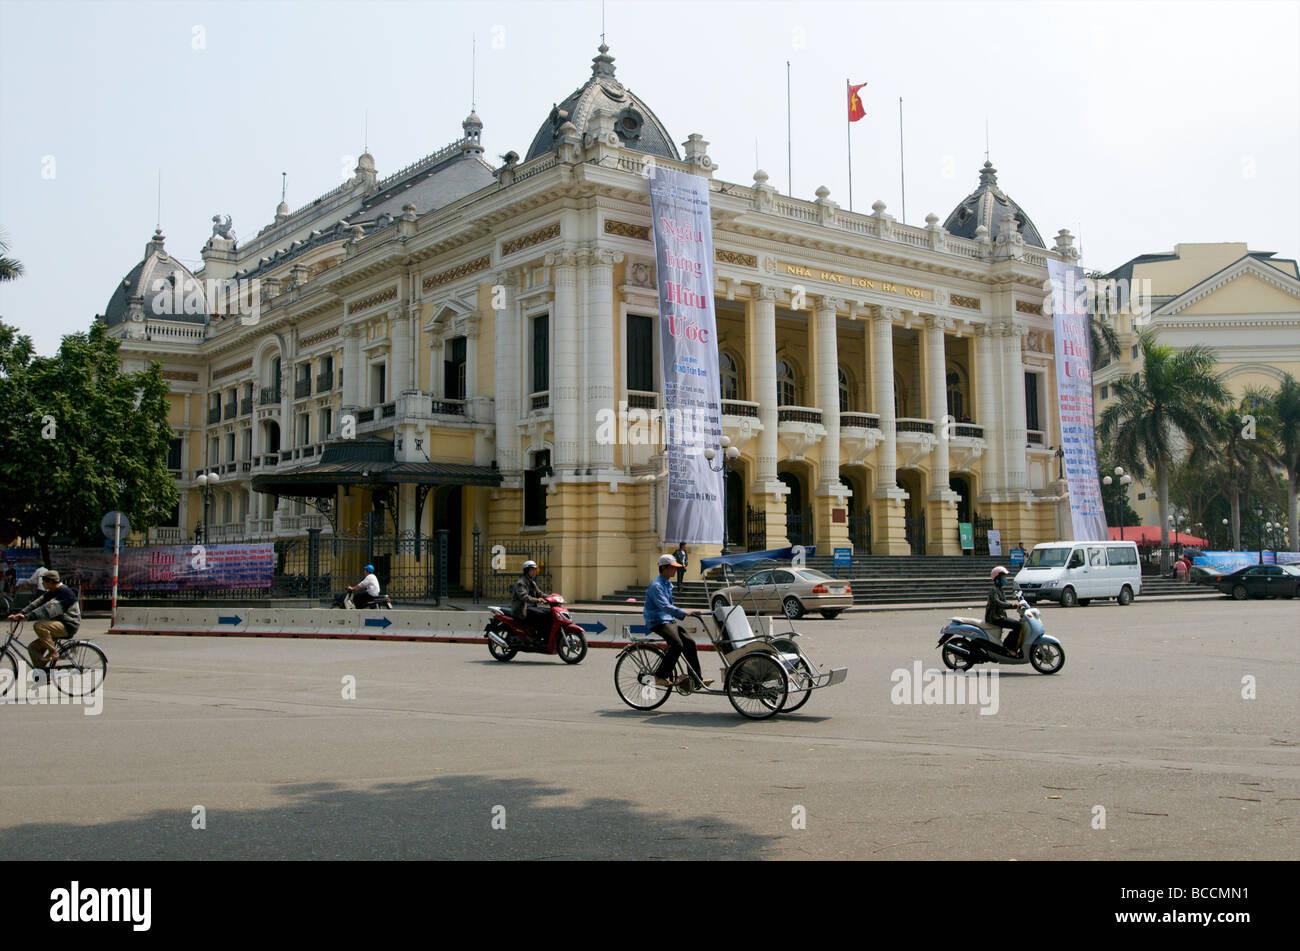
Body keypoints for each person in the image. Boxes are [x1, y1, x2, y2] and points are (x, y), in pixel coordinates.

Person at [644, 553, 711, 688]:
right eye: (672, 568)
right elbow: (664, 606)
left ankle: (695, 679)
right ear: (664, 568)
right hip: (657, 621)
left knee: (690, 643)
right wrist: (684, 612)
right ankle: (659, 676)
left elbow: (669, 607)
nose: (675, 570)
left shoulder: (667, 583)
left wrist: (686, 612)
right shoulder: (656, 586)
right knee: (677, 645)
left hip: (668, 620)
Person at [7, 569, 81, 668]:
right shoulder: (53, 591)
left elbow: (46, 609)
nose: (42, 583)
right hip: (58, 623)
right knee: (33, 648)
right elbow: (37, 603)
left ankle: (53, 652)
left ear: (50, 582)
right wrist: (20, 614)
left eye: (44, 581)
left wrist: (26, 617)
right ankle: (43, 673)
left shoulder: (64, 593)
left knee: (39, 626)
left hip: (69, 625)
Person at [985, 566, 1022, 657]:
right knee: (1017, 625)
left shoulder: (1000, 590)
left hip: (1000, 617)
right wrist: (1012, 605)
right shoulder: (993, 590)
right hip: (994, 618)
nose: (1005, 579)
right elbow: (998, 603)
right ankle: (1008, 648)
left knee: (1018, 624)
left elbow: (1004, 602)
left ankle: (1007, 646)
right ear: (997, 578)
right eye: (1004, 577)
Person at [511, 560, 549, 639]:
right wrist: (537, 600)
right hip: (522, 609)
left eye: (535, 570)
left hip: (531, 607)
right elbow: (524, 597)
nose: (534, 572)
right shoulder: (521, 583)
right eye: (532, 570)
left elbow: (540, 593)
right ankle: (537, 637)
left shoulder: (532, 582)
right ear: (526, 571)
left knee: (548, 612)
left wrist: (551, 597)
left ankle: (542, 635)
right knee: (541, 615)